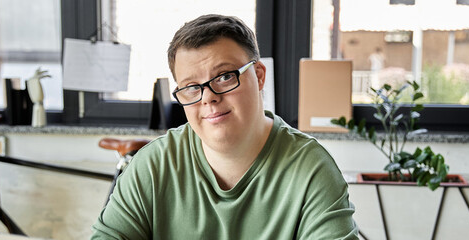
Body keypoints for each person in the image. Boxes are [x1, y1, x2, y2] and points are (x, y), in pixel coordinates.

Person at [91, 14, 358, 239]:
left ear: (259, 76)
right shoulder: (152, 166)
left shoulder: (311, 169)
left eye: (225, 76)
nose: (208, 97)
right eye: (191, 87)